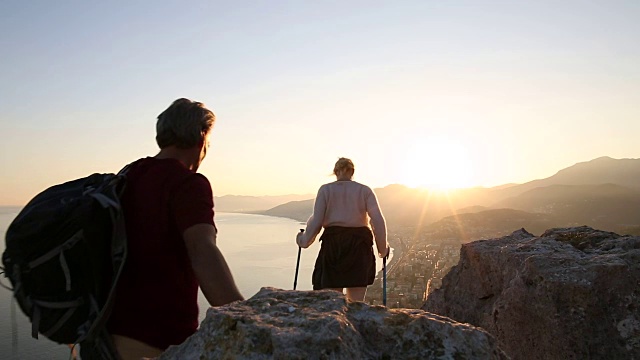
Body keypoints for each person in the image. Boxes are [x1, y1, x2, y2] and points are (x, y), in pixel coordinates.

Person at [105, 98, 244, 359]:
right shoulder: (187, 183)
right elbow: (202, 251)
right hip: (157, 340)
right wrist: (244, 315)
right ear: (202, 138)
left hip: (106, 335)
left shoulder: (127, 175)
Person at [296, 157, 389, 302]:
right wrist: (383, 249)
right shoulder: (364, 190)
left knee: (333, 303)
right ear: (352, 172)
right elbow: (377, 220)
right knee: (356, 304)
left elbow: (317, 221)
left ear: (336, 171)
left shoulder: (326, 190)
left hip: (334, 245)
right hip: (360, 245)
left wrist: (304, 240)